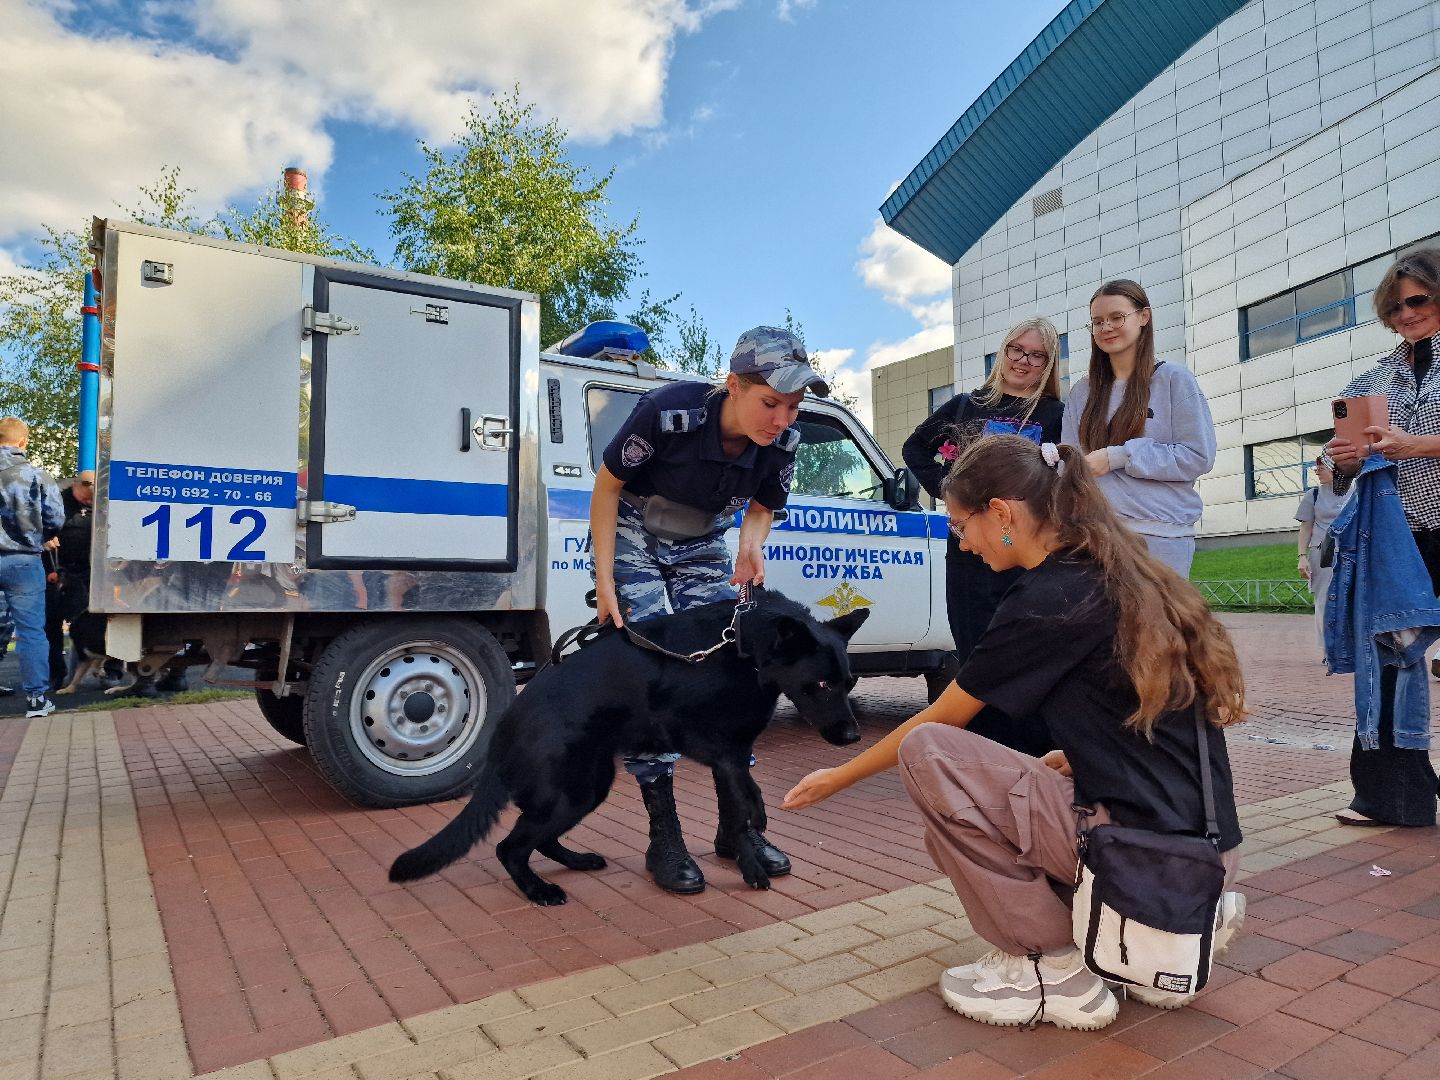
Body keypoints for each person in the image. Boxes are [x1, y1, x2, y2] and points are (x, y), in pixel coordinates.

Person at [783, 435, 1246, 1029]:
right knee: (985, 802)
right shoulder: (1117, 574)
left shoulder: (1048, 597)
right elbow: (1151, 714)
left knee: (932, 759)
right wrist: (1084, 755)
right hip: (1207, 847)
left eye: (960, 525)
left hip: (1148, 849)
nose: (962, 543)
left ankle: (1050, 971)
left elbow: (942, 719)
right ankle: (1154, 933)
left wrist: (838, 777)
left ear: (1001, 513)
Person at [589, 326, 827, 894]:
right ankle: (664, 835)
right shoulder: (667, 411)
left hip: (702, 541)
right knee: (652, 674)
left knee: (729, 673)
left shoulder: (783, 443)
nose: (782, 419)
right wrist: (605, 580)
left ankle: (736, 828)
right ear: (733, 386)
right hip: (635, 533)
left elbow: (763, 506)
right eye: (770, 403)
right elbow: (606, 487)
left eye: (793, 406)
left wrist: (750, 545)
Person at [902, 318, 1064, 754]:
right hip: (970, 552)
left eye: (1036, 355)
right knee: (975, 651)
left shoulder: (1056, 415)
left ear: (1049, 364)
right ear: (1002, 351)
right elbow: (914, 448)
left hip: (1027, 555)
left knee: (1026, 651)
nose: (1023, 361)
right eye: (1016, 349)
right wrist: (948, 490)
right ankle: (986, 751)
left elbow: (1065, 477)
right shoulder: (966, 405)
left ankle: (1031, 753)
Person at [1323, 247, 1440, 828]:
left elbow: (1413, 444)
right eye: (1394, 307)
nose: (1406, 313)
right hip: (1404, 537)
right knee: (1392, 657)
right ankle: (1394, 799)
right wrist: (1339, 459)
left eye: (1418, 299)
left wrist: (1417, 445)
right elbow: (1336, 460)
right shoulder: (1375, 377)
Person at [1062, 279, 1216, 577]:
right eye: (1097, 322)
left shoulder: (1174, 379)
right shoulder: (1082, 392)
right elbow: (1070, 464)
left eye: (1117, 317)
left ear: (1144, 316)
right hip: (1096, 538)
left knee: (1157, 611)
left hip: (1162, 538)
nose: (1106, 328)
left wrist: (1118, 456)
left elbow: (1198, 456)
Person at [0, 418, 66, 717]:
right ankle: (36, 699)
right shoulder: (37, 476)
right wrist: (40, 536)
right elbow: (55, 519)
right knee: (31, 632)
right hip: (23, 561)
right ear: (23, 442)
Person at [45, 471, 95, 689]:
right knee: (51, 624)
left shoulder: (101, 504)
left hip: (89, 572)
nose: (89, 502)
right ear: (76, 485)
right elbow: (40, 532)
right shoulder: (56, 502)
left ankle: (105, 671)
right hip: (57, 570)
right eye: (86, 498)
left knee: (96, 621)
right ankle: (56, 674)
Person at [1294, 457, 1346, 657]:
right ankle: (1329, 649)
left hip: (1351, 551)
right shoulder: (1314, 495)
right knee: (1325, 599)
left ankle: (1350, 646)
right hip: (1323, 552)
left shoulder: (1356, 491)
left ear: (1336, 468)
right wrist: (1302, 556)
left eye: (1321, 467)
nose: (1316, 471)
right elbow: (1305, 527)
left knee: (1352, 599)